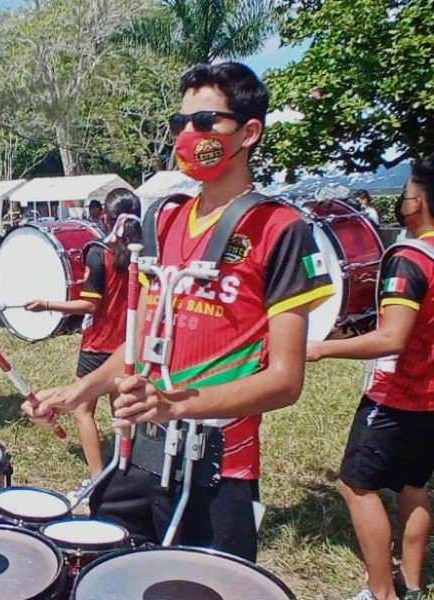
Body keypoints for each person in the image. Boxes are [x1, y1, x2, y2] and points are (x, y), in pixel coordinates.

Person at [22, 62, 334, 561]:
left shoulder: (281, 229)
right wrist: (78, 391)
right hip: (137, 451)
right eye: (180, 123)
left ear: (249, 132)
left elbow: (285, 378)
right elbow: (142, 335)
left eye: (206, 122)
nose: (189, 134)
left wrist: (177, 405)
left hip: (215, 464)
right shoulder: (164, 219)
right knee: (110, 575)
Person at [306, 157, 434, 600]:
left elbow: (393, 337)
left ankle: (382, 593)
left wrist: (322, 347)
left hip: (396, 395)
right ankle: (413, 585)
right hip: (431, 398)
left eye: (407, 191)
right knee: (414, 486)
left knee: (356, 485)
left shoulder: (409, 257)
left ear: (417, 201)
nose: (403, 199)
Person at [26, 188, 141, 482]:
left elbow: (90, 303)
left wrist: (47, 305)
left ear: (105, 216)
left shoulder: (98, 252)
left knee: (82, 410)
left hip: (99, 344)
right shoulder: (147, 253)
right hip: (130, 345)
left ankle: (97, 477)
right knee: (124, 411)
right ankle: (127, 469)